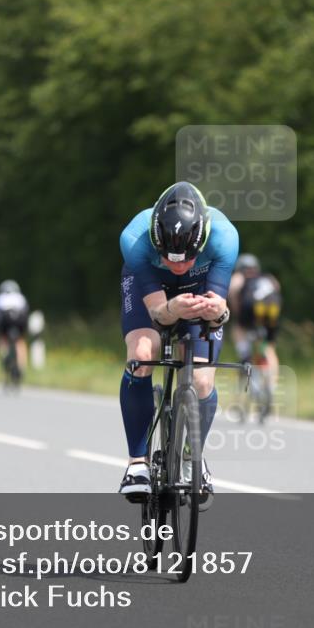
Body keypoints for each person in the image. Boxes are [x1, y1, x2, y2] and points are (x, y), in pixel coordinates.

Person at [118, 182, 238, 502]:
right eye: (168, 257)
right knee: (143, 352)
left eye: (187, 258)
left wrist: (218, 312)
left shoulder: (225, 237)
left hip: (199, 290)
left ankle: (190, 458)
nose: (178, 265)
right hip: (154, 293)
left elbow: (218, 313)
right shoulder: (134, 239)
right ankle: (137, 464)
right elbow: (158, 313)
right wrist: (172, 309)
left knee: (201, 379)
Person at [228, 254, 281, 392]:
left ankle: (244, 354)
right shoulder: (267, 277)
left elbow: (233, 291)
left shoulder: (239, 277)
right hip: (272, 309)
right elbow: (277, 289)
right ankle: (271, 387)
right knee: (269, 348)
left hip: (250, 308)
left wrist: (237, 315)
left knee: (238, 327)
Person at [0, 280, 29, 377]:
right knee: (20, 341)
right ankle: (21, 367)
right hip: (19, 319)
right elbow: (26, 312)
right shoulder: (21, 297)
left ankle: (4, 355)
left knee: (2, 338)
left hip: (5, 319)